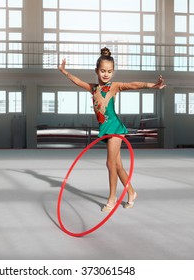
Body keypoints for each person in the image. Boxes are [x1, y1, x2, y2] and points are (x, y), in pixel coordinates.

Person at [58, 47, 166, 212]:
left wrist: (153, 85)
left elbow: (133, 85)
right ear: (96, 71)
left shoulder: (114, 87)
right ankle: (131, 192)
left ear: (113, 72)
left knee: (109, 163)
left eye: (109, 71)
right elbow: (78, 81)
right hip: (105, 129)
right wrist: (64, 71)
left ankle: (112, 198)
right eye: (102, 71)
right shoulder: (93, 89)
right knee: (117, 166)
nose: (106, 74)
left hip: (115, 128)